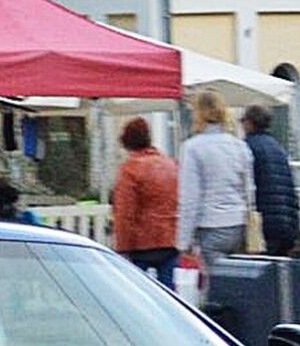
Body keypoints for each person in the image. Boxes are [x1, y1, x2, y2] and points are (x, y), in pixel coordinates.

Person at [174, 89, 254, 264]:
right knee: (238, 282)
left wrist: (183, 241)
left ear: (198, 113)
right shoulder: (239, 146)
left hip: (210, 224)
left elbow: (190, 197)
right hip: (238, 224)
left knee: (214, 286)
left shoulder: (192, 148)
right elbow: (249, 190)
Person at [108, 117, 181, 283]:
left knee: (137, 289)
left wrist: (122, 247)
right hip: (170, 238)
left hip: (141, 242)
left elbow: (125, 212)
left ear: (127, 143)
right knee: (169, 293)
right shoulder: (171, 164)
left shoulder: (130, 169)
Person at [243, 104, 300, 254]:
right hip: (285, 224)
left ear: (249, 123)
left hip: (263, 222)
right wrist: (295, 231)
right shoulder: (279, 149)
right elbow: (291, 191)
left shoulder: (247, 148)